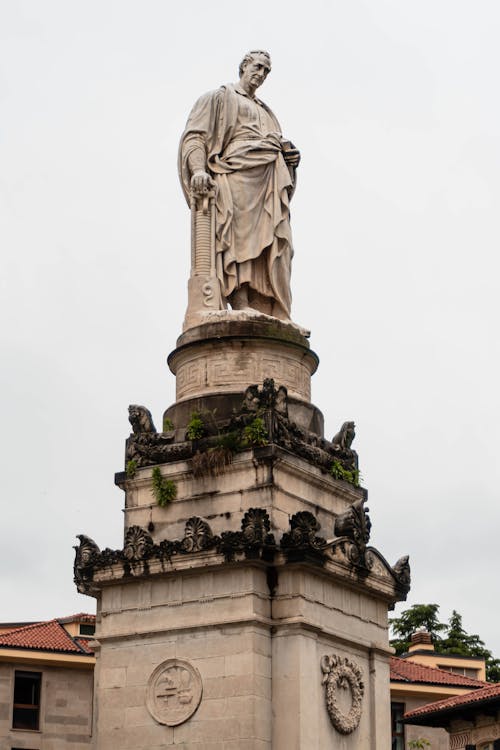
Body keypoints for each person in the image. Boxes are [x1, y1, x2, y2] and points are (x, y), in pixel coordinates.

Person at [179, 51, 300, 321]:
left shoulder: (267, 112)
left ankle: (270, 306)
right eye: (258, 67)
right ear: (244, 66)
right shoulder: (219, 98)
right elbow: (195, 137)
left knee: (277, 244)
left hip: (269, 179)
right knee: (240, 239)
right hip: (236, 175)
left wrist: (290, 159)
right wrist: (199, 170)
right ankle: (240, 299)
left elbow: (278, 146)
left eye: (267, 71)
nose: (262, 74)